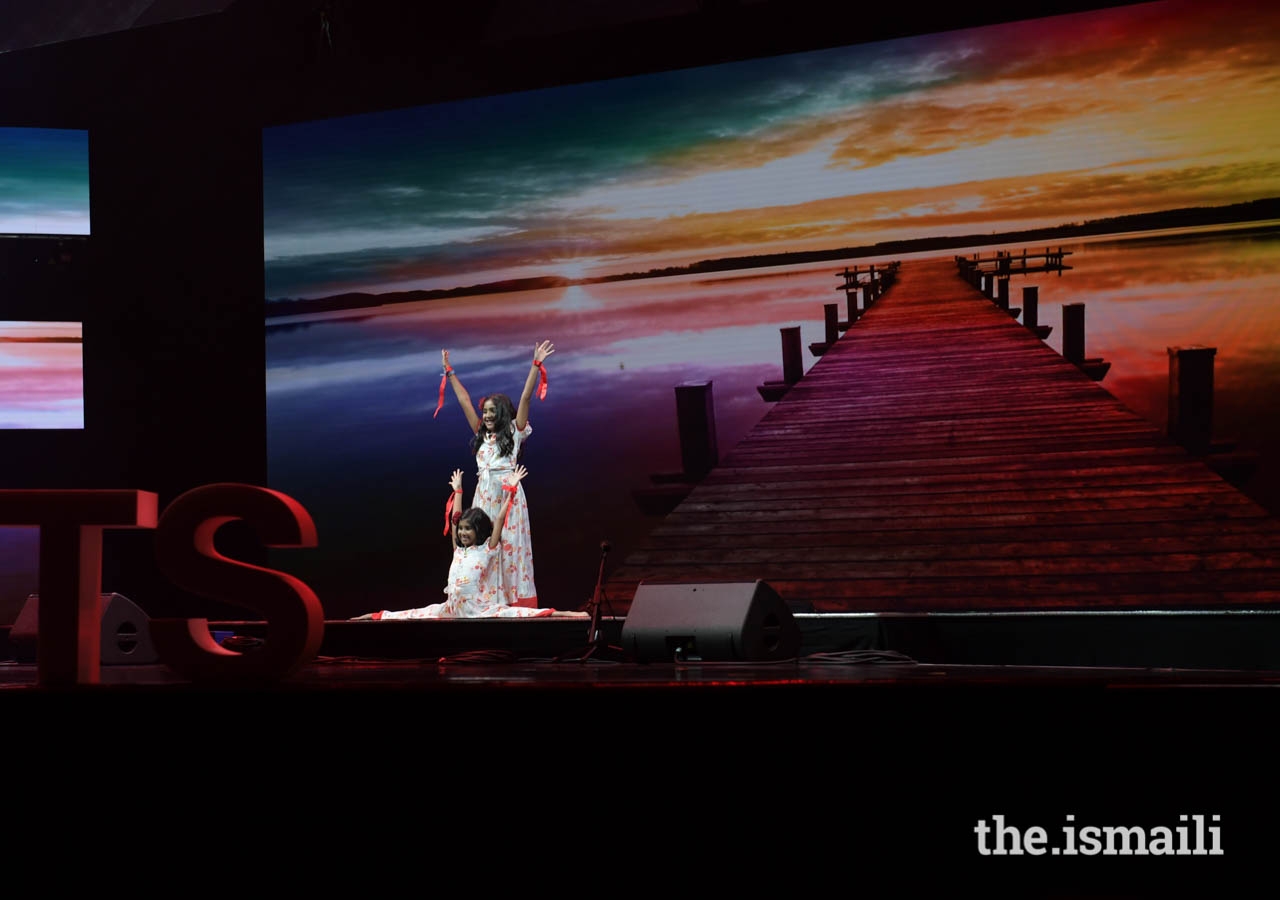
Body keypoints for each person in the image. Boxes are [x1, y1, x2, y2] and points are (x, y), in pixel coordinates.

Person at [351, 466, 560, 619]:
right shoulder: (459, 551)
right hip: (451, 608)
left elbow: (499, 521)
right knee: (412, 614)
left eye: (468, 529)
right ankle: (375, 616)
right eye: (461, 529)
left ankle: (560, 614)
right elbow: (455, 518)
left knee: (519, 614)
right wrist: (458, 491)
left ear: (478, 530)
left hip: (476, 609)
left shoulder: (487, 549)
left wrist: (510, 491)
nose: (462, 532)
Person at [439, 340, 553, 609]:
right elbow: (465, 401)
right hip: (483, 496)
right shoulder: (481, 435)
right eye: (485, 411)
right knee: (483, 547)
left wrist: (536, 365)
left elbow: (525, 398)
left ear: (502, 413)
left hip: (507, 496)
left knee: (509, 547)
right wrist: (449, 372)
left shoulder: (514, 432)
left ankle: (513, 601)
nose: (487, 415)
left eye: (492, 411)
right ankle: (485, 598)